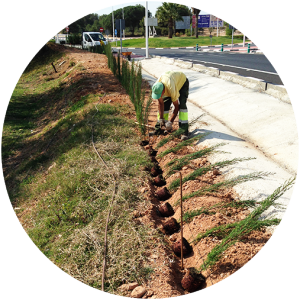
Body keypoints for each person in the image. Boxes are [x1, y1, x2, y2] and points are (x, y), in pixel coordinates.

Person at [150, 70, 189, 140]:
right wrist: (161, 119)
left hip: (182, 82)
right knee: (165, 104)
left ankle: (184, 131)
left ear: (163, 91)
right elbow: (160, 103)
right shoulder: (157, 86)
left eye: (160, 95)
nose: (159, 97)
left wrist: (170, 122)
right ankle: (159, 129)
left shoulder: (171, 89)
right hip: (171, 80)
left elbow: (176, 107)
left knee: (182, 106)